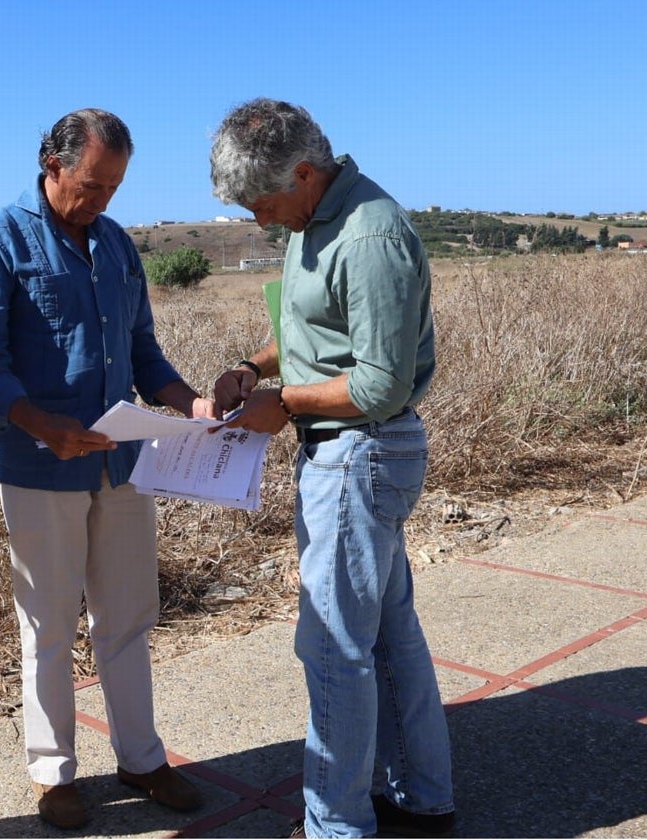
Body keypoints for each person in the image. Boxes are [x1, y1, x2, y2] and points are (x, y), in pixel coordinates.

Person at [0, 108, 214, 830]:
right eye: (92, 185)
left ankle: (142, 757)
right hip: (37, 464)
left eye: (114, 188)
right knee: (47, 623)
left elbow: (143, 353)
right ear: (53, 165)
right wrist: (45, 426)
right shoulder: (0, 238)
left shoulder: (116, 245)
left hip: (121, 462)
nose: (102, 201)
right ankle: (53, 772)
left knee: (130, 617)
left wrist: (188, 403)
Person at [208, 99, 455, 838]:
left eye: (262, 201)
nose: (258, 219)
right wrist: (250, 368)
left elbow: (378, 383)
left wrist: (282, 404)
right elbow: (308, 332)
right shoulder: (314, 220)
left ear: (306, 173)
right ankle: (420, 798)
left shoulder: (369, 235)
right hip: (349, 455)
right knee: (383, 636)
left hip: (360, 454)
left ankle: (336, 824)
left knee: (332, 647)